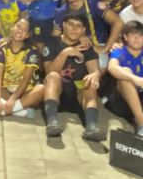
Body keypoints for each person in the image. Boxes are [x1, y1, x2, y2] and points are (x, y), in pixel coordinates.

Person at [39, 12, 105, 140]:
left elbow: (95, 71)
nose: (74, 29)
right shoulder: (52, 43)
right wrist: (65, 53)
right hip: (56, 94)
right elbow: (49, 71)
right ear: (64, 25)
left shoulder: (86, 47)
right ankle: (52, 122)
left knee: (89, 83)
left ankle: (92, 126)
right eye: (71, 25)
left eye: (78, 26)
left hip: (78, 95)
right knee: (53, 76)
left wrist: (95, 75)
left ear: (83, 30)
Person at [0, 15, 41, 119]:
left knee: (41, 89)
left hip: (24, 92)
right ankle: (20, 112)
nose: (20, 31)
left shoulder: (32, 50)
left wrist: (13, 99)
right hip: (6, 89)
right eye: (18, 26)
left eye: (24, 30)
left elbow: (26, 79)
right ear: (12, 27)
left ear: (27, 35)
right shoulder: (3, 48)